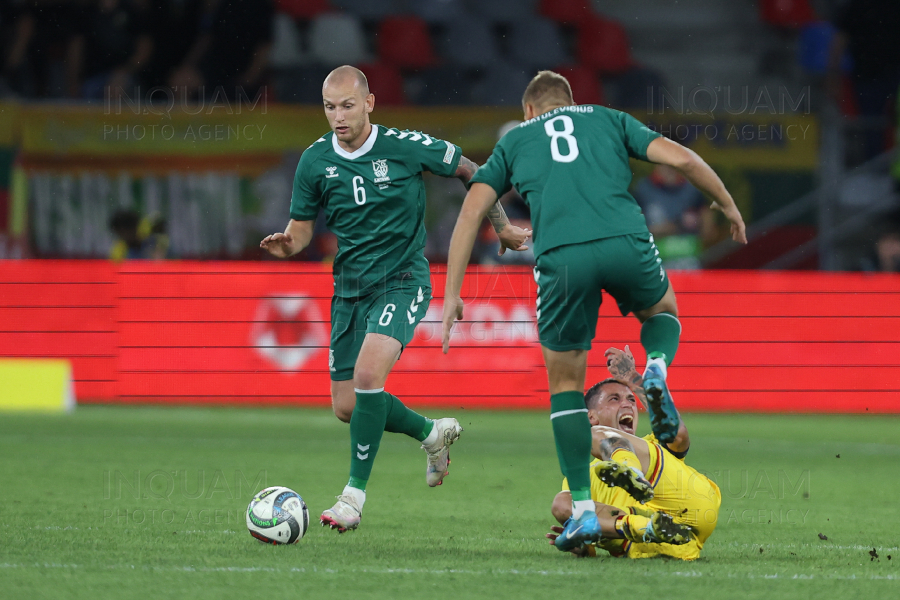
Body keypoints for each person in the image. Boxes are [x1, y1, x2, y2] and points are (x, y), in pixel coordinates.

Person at [441, 70, 745, 551]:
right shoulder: (609, 119)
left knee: (564, 386)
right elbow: (683, 159)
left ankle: (583, 510)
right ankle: (658, 366)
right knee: (662, 312)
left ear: (529, 112)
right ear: (571, 102)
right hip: (626, 236)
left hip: (562, 256)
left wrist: (454, 291)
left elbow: (471, 212)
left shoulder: (517, 140)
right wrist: (726, 204)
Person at [260, 65, 530, 533]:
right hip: (349, 290)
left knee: (368, 375)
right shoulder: (314, 161)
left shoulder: (405, 146)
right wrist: (288, 244)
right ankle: (431, 433)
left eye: (347, 105)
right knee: (348, 406)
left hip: (402, 279)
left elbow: (472, 170)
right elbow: (302, 231)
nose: (338, 117)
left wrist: (502, 226)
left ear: (368, 103)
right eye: (329, 107)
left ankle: (352, 498)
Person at [546, 346, 720, 560]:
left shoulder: (650, 445)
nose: (628, 405)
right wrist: (581, 548)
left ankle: (630, 470)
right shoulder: (581, 477)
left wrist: (632, 378)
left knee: (591, 435)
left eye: (631, 399)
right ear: (591, 415)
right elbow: (588, 545)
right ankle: (645, 527)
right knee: (562, 503)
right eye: (614, 399)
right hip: (666, 543)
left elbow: (677, 435)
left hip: (691, 504)